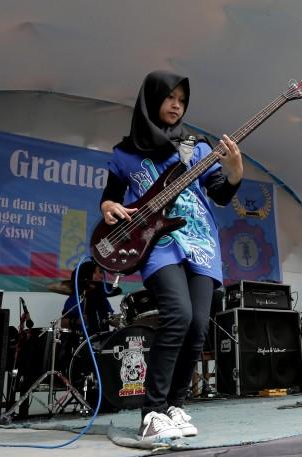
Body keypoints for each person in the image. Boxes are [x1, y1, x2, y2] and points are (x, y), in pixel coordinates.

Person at [99, 70, 243, 442]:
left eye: (182, 99)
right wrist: (110, 206)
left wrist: (234, 172)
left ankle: (175, 406)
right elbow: (110, 197)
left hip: (201, 242)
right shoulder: (126, 154)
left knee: (197, 325)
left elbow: (221, 194)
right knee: (177, 314)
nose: (177, 104)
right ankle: (151, 413)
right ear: (151, 100)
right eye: (169, 97)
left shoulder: (196, 148)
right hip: (157, 244)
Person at [61, 261, 114, 336]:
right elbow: (63, 323)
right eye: (100, 272)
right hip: (82, 342)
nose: (102, 276)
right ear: (88, 274)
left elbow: (110, 318)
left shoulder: (102, 298)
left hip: (104, 342)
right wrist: (76, 321)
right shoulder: (76, 299)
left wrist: (121, 322)